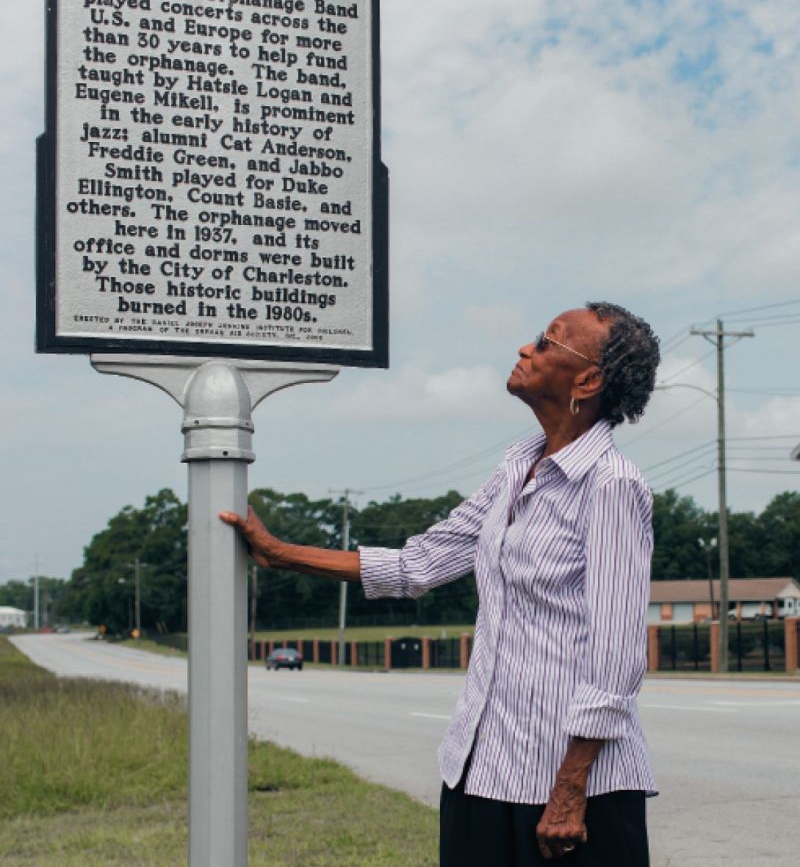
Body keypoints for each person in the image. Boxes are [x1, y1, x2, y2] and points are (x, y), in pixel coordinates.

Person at [220, 301, 661, 866]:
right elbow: (418, 564)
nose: (527, 348)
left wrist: (570, 789)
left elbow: (616, 658)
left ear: (589, 379)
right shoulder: (515, 468)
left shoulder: (611, 486)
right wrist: (282, 555)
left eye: (548, 342)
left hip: (572, 789)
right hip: (481, 770)